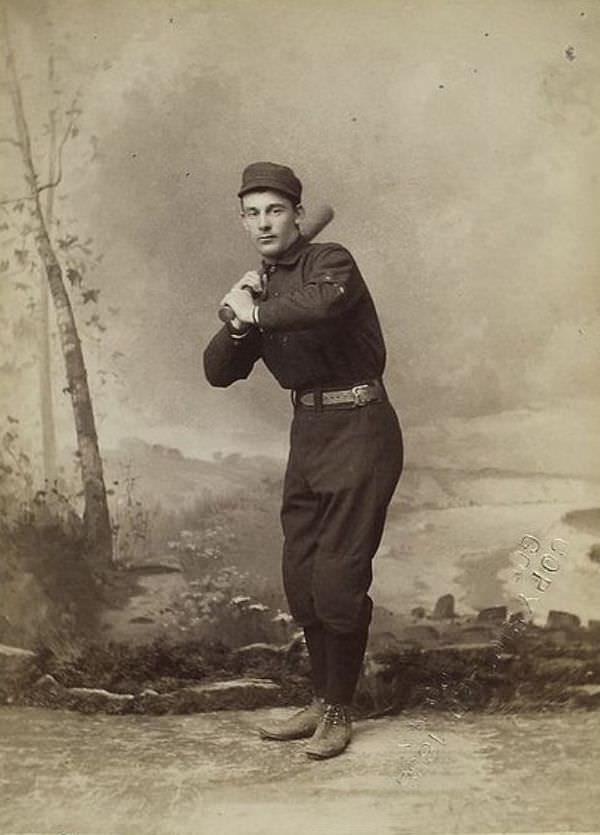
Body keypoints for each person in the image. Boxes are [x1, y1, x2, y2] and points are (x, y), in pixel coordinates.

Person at [203, 161, 403, 759]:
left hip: (361, 427)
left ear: (295, 213)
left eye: (275, 210)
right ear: (243, 222)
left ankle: (340, 710)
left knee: (339, 576)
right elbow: (217, 373)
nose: (264, 222)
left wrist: (255, 313)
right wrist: (239, 323)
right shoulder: (264, 288)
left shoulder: (330, 263)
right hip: (309, 431)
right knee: (302, 573)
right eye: (252, 213)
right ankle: (320, 699)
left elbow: (316, 307)